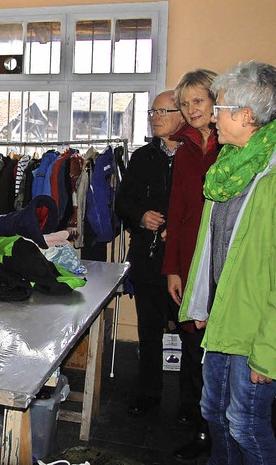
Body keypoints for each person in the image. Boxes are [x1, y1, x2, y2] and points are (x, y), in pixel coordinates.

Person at [179, 60, 276, 464]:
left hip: (255, 331)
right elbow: (217, 247)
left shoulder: (269, 175)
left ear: (247, 115)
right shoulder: (229, 168)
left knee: (245, 424)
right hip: (223, 315)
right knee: (214, 414)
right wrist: (203, 302)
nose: (212, 117)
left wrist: (269, 352)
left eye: (219, 108)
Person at [161, 69, 220, 460]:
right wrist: (172, 269)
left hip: (223, 262)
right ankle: (202, 431)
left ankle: (225, 431)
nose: (191, 109)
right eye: (185, 104)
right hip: (189, 261)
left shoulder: (234, 147)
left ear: (217, 102)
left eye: (198, 101)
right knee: (195, 349)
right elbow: (177, 209)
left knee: (222, 353)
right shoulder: (183, 150)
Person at [115, 90, 185, 416]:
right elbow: (123, 203)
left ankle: (191, 405)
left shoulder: (198, 156)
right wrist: (142, 216)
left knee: (191, 331)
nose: (155, 117)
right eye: (152, 112)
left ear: (182, 114)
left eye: (163, 111)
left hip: (185, 261)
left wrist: (180, 228)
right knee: (149, 330)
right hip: (148, 258)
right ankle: (148, 395)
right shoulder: (143, 157)